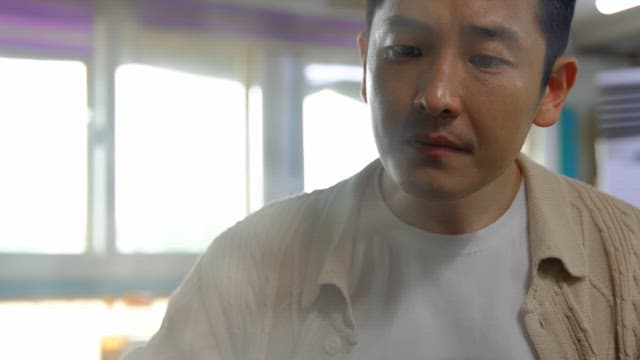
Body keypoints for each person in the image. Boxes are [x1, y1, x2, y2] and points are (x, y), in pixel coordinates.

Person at [125, 0, 640, 359]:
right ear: (366, 68)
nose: (436, 95)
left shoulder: (627, 261)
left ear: (552, 89)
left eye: (485, 59)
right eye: (404, 51)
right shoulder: (252, 265)